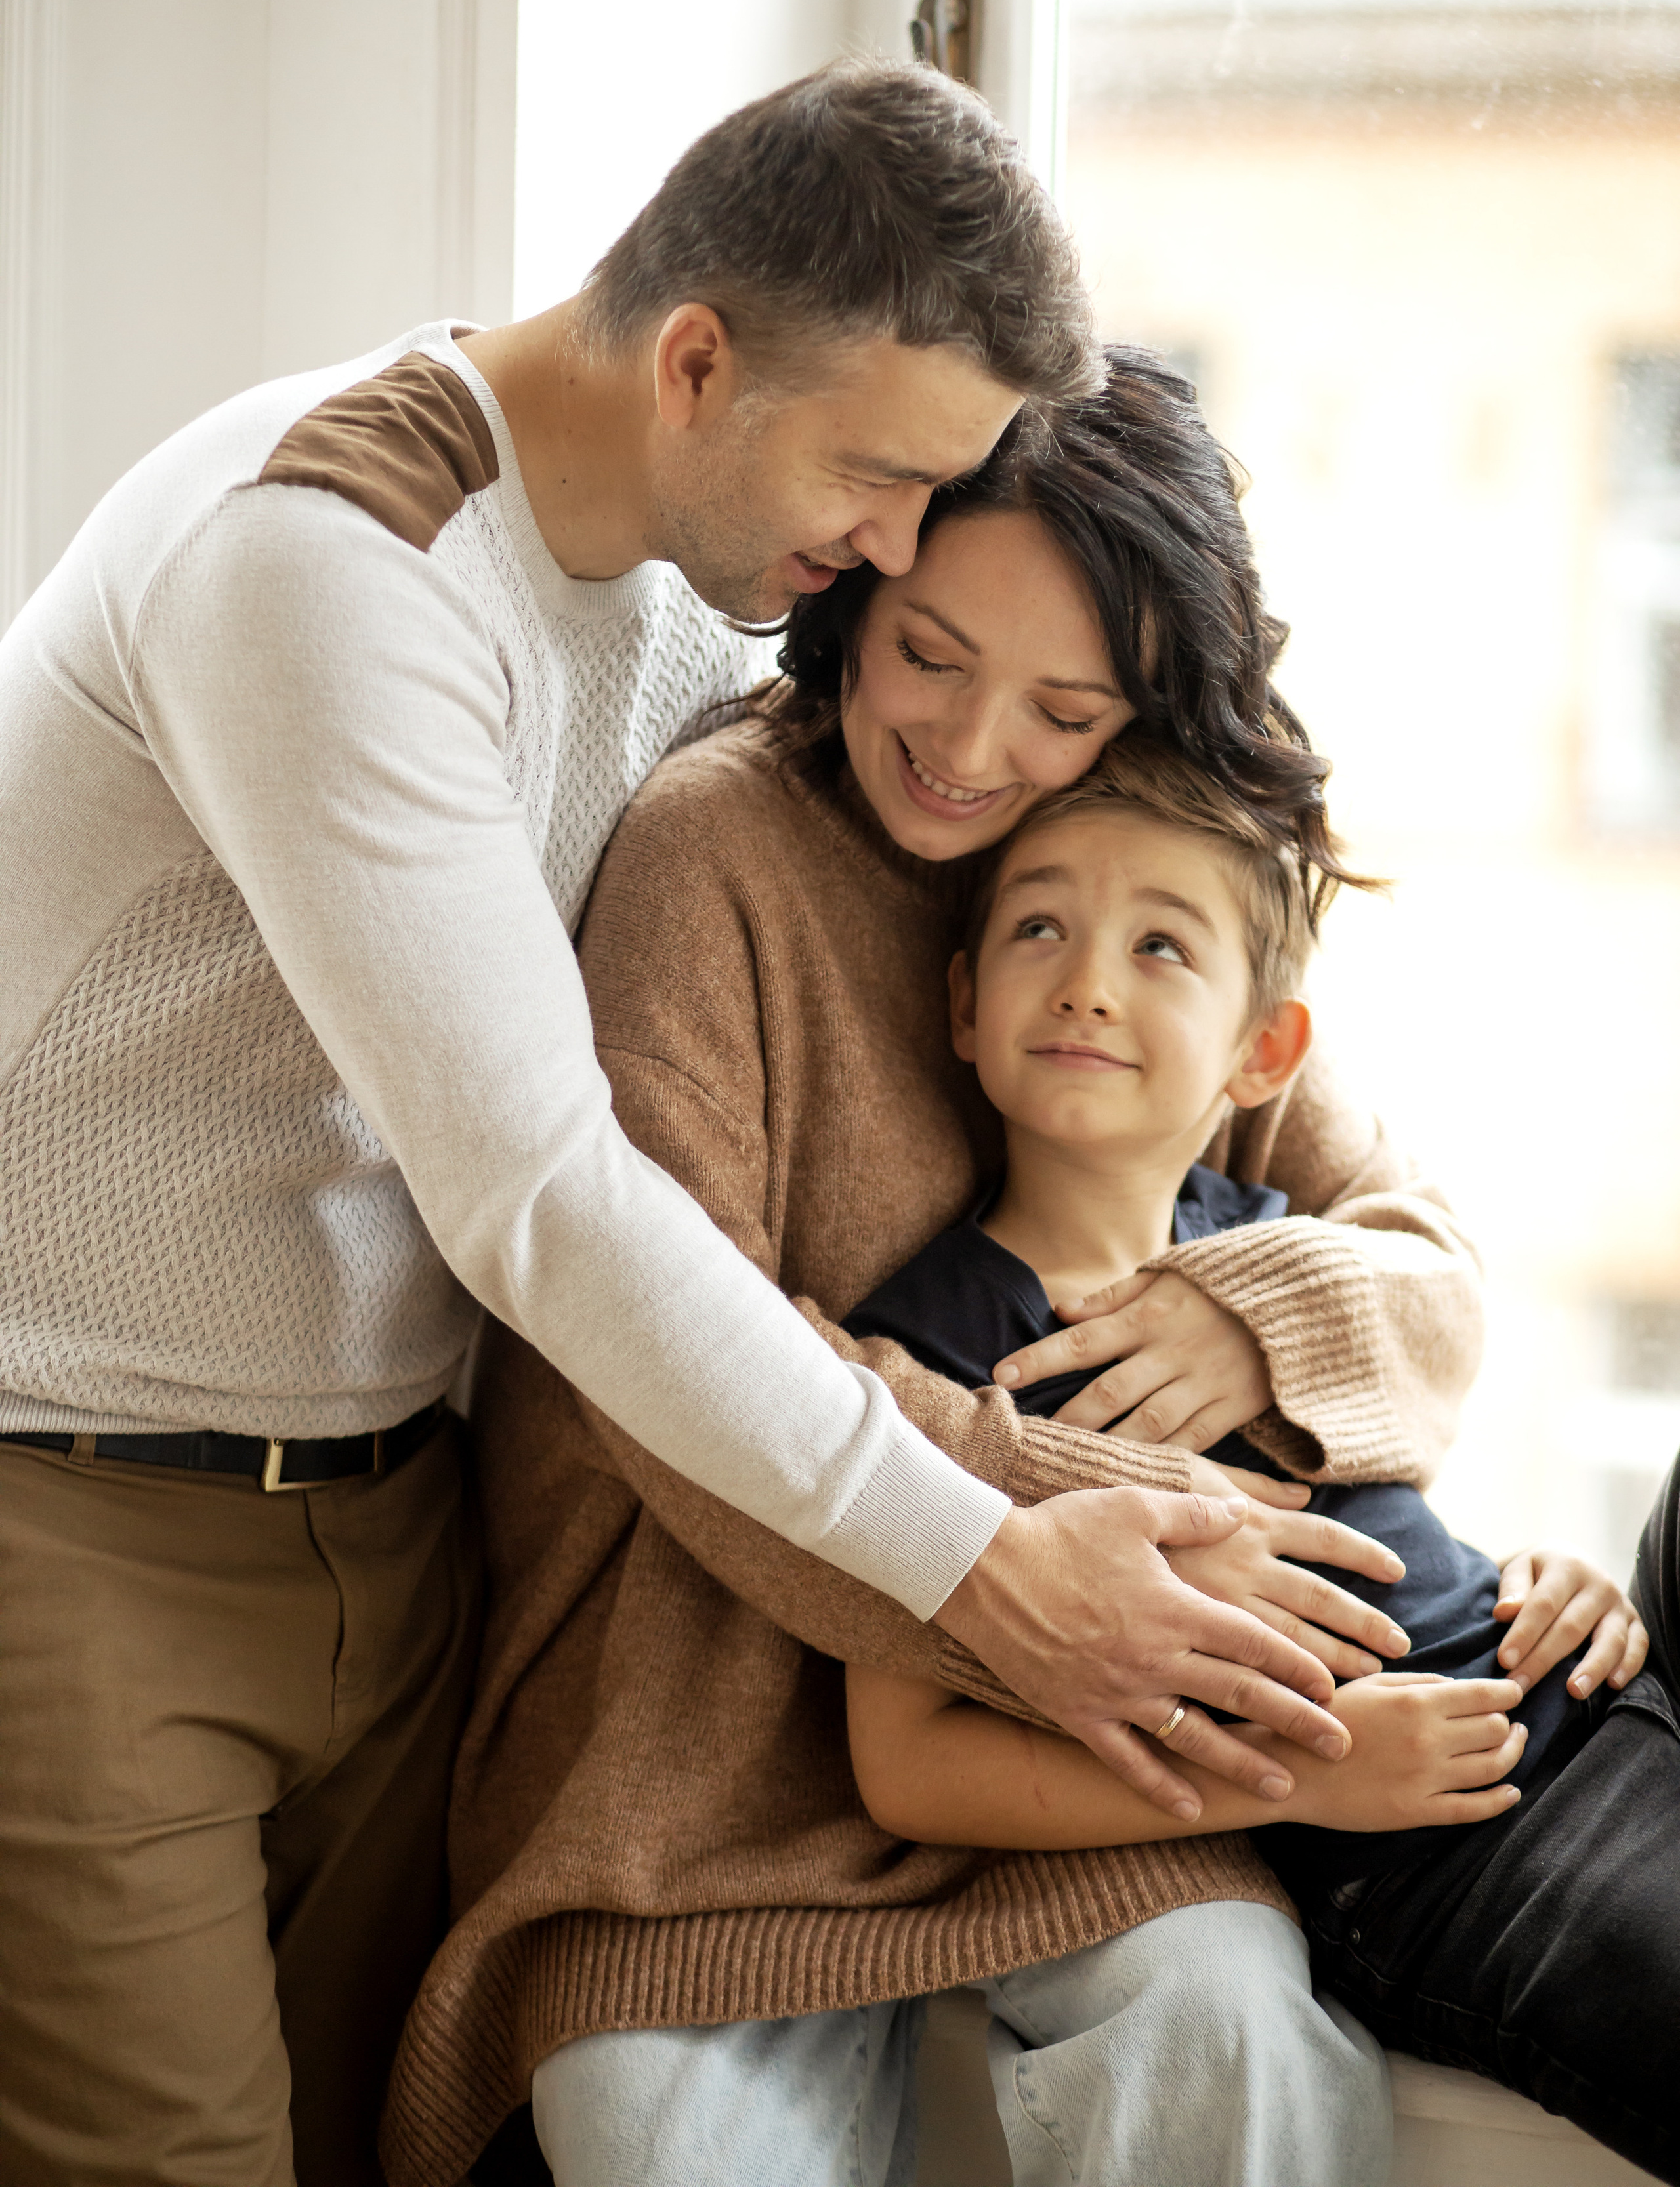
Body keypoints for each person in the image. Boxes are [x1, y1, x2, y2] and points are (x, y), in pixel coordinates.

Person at [0, 64, 1350, 2187]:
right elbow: (549, 1202)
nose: (903, 545)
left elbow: (1254, 1058)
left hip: (399, 1522)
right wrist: (991, 1565)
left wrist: (1312, 1304)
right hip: (78, 1503)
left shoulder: (692, 579)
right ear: (700, 363)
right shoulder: (331, 570)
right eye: (887, 481)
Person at [381, 354, 1485, 2187]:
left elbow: (1431, 1282)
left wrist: (1251, 1307)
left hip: (1081, 1754)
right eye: (931, 659)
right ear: (856, 593)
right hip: (704, 1764)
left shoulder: (1136, 860)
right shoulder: (713, 851)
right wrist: (1080, 1491)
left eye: (1063, 703)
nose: (979, 754)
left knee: (1234, 2044)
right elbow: (670, 1342)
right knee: (652, 2144)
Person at [843, 734, 1672, 2183]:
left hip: (1611, 1686)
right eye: (1039, 925)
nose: (1089, 978)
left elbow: (1383, 1518)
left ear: (1260, 1051)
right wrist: (1300, 1787)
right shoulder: (930, 1352)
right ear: (963, 1003)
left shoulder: (1273, 1244)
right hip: (1454, 1855)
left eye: (1160, 944)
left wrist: (1563, 1578)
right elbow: (905, 1767)